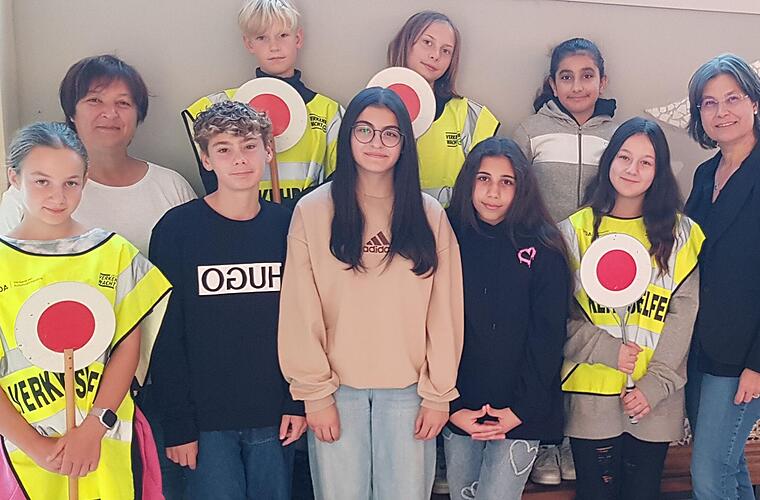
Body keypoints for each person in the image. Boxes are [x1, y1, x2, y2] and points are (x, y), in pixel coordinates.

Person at [278, 87, 463, 500]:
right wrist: (314, 394)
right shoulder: (313, 210)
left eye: (390, 133)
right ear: (348, 136)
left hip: (410, 394)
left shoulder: (429, 214)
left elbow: (445, 313)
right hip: (336, 392)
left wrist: (438, 395)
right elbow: (299, 310)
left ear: (404, 144)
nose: (376, 143)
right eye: (365, 130)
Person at [0, 122, 171, 499]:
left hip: (107, 441)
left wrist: (95, 426)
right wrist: (35, 445)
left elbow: (127, 349)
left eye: (71, 183)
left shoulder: (114, 253)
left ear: (85, 180)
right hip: (25, 451)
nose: (57, 196)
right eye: (41, 181)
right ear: (14, 177)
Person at [149, 100, 306, 499]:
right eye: (224, 149)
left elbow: (306, 320)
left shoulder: (288, 226)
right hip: (205, 424)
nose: (239, 159)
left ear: (268, 151)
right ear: (206, 159)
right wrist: (178, 424)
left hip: (275, 416)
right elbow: (165, 333)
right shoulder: (177, 229)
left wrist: (297, 401)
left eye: (249, 146)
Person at [559, 117, 703, 500]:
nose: (632, 169)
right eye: (624, 157)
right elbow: (558, 318)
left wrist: (654, 385)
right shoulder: (573, 232)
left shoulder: (681, 235)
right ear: (609, 160)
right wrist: (608, 351)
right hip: (591, 394)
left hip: (655, 399)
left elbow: (683, 316)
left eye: (645, 162)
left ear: (658, 172)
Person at [444, 137, 569, 499]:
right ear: (469, 181)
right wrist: (452, 407)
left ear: (522, 187)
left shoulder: (544, 248)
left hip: (519, 411)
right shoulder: (445, 236)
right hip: (459, 405)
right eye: (483, 179)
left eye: (506, 181)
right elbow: (429, 326)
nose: (493, 192)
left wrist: (519, 410)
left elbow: (547, 339)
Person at [0, 55, 196, 255]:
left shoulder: (171, 186)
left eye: (123, 103)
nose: (110, 113)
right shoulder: (28, 192)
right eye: (94, 100)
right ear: (71, 112)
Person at [683, 53, 760, 500]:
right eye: (709, 103)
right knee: (728, 469)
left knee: (709, 476)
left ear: (754, 102)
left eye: (732, 98)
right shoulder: (704, 174)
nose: (721, 111)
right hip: (701, 345)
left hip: (744, 357)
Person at [182, 0, 343, 203]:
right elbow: (215, 186)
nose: (274, 47)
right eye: (261, 37)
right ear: (249, 43)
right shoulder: (219, 105)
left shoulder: (328, 111)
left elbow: (338, 182)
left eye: (283, 35)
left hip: (306, 218)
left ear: (298, 38)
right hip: (243, 218)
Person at [387, 10, 499, 207]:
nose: (435, 55)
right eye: (427, 42)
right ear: (406, 43)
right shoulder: (372, 107)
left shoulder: (471, 115)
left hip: (451, 221)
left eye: (446, 51)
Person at [513, 37, 618, 224]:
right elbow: (513, 191)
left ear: (602, 83)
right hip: (541, 237)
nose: (577, 87)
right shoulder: (530, 132)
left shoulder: (617, 137)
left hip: (599, 239)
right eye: (566, 78)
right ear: (553, 85)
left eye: (587, 76)